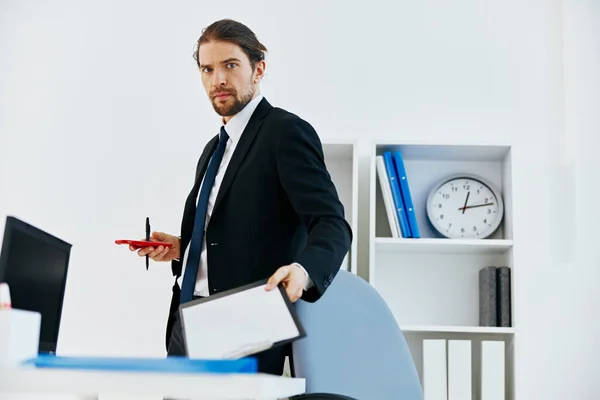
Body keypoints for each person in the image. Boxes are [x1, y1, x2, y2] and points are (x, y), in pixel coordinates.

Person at [131, 18, 352, 375]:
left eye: (230, 65)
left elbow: (332, 223)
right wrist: (183, 248)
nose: (217, 79)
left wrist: (304, 270)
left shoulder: (285, 132)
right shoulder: (212, 149)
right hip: (186, 321)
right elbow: (228, 234)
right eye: (207, 68)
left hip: (244, 325)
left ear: (258, 69)